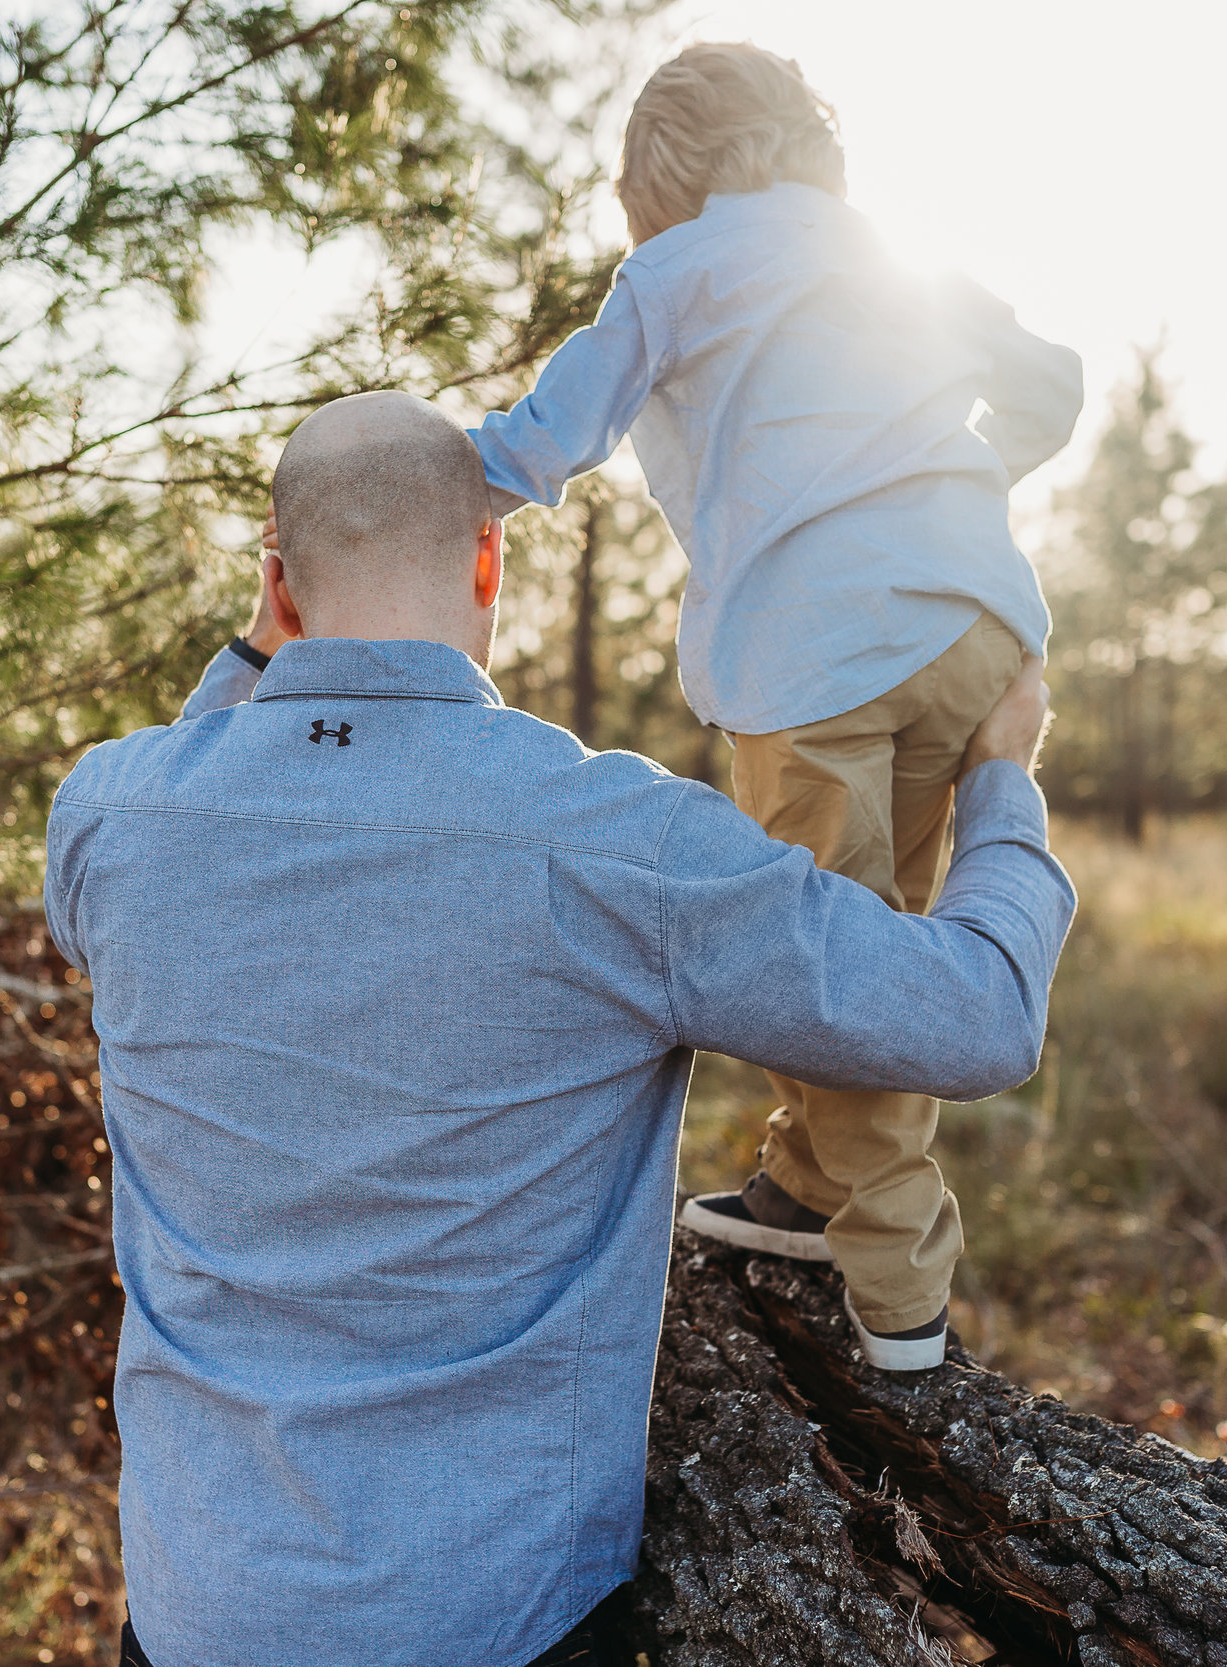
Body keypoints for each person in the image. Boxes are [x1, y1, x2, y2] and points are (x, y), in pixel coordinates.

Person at [44, 390, 1073, 1667]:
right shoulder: (617, 843)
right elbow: (975, 1014)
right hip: (493, 1618)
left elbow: (187, 793)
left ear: (279, 582)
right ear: (490, 557)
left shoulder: (109, 816)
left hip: (196, 1607)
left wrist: (260, 659)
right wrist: (1002, 780)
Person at [461, 42, 1087, 1370]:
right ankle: (803, 1189)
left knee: (829, 971)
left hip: (814, 664)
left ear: (663, 180)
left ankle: (904, 1294)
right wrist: (957, 478)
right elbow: (1050, 385)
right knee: (880, 928)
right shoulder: (886, 253)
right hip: (977, 627)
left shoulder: (678, 267)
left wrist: (430, 479)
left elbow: (547, 436)